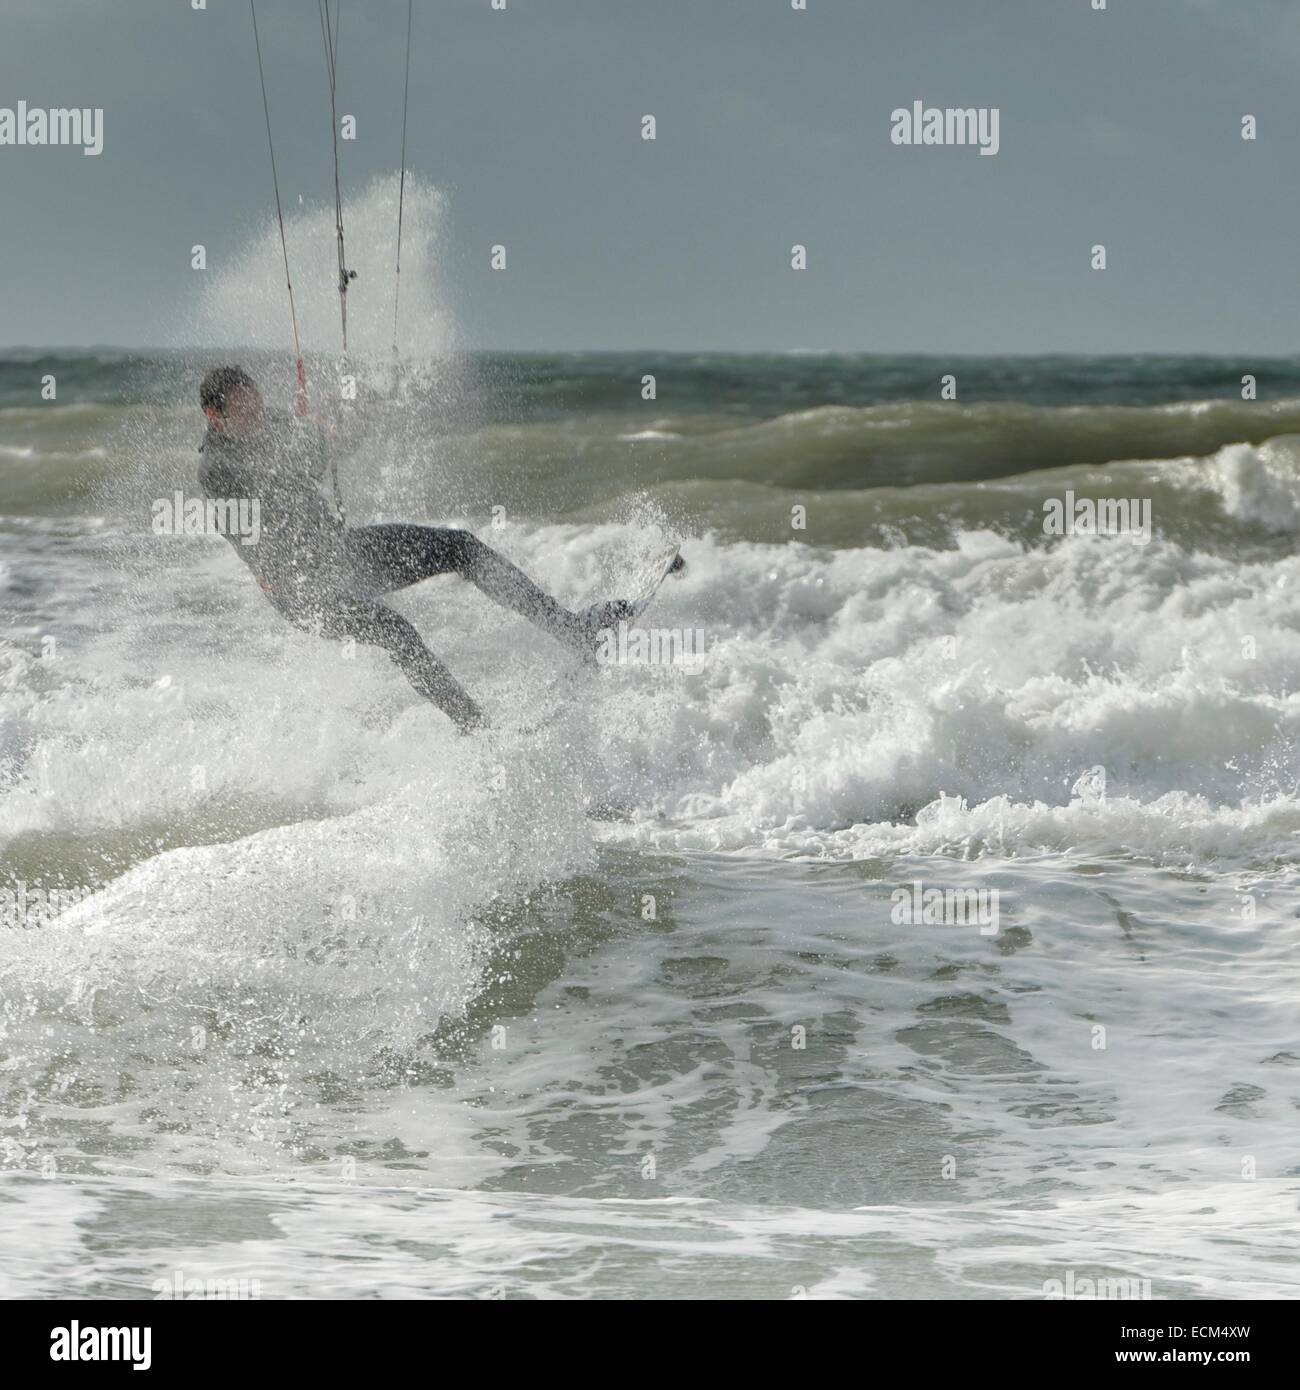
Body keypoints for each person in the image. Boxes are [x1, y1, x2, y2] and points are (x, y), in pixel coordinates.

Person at [197, 364, 627, 732]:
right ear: (215, 417)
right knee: (395, 631)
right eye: (243, 408)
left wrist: (348, 420)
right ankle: (476, 728)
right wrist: (300, 442)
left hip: (341, 554)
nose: (256, 412)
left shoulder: (270, 426)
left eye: (256, 401)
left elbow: (320, 457)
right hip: (303, 593)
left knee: (461, 547)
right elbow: (271, 497)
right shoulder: (217, 470)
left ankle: (575, 632)